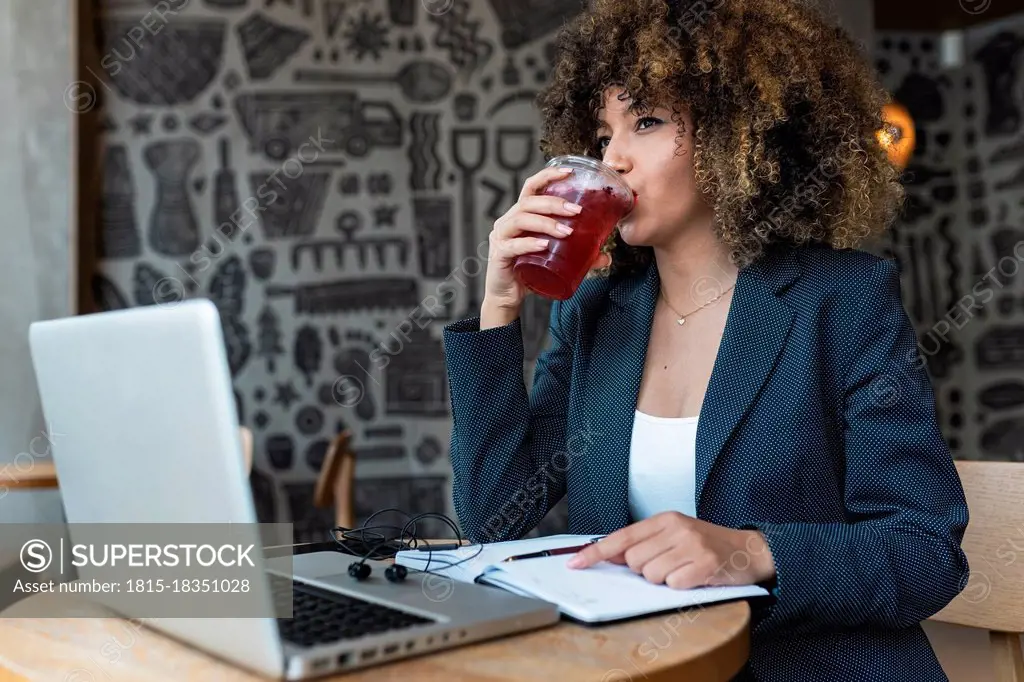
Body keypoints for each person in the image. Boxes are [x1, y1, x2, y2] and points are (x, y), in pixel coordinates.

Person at [440, 0, 969, 679]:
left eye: (647, 122)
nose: (614, 159)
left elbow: (924, 552)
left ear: (736, 134)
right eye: (603, 136)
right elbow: (494, 520)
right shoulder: (596, 313)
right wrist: (499, 306)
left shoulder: (841, 302)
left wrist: (750, 551)